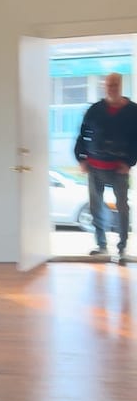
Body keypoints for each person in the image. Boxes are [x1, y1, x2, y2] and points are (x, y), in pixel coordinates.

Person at [74, 72, 137, 263]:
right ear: (105, 86)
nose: (112, 87)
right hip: (95, 168)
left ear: (121, 85)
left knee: (122, 208)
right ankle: (101, 245)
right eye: (109, 84)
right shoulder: (95, 109)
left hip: (119, 169)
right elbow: (83, 134)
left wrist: (129, 163)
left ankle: (122, 248)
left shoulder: (133, 111)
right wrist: (81, 159)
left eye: (115, 84)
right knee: (95, 207)